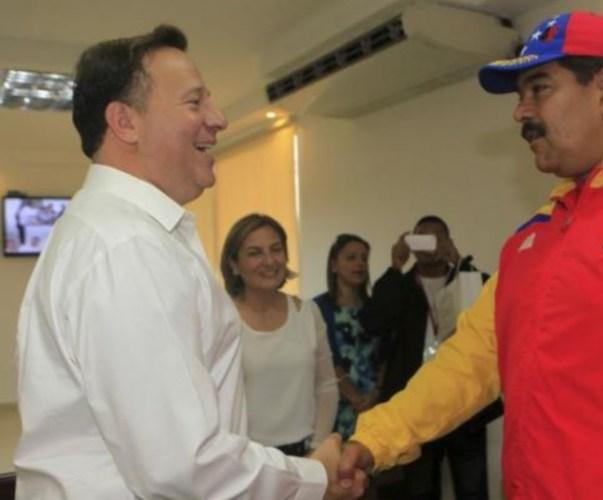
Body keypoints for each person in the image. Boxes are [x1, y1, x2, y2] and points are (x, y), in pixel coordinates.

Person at [339, 11, 603, 499]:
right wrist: (373, 440)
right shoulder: (533, 237)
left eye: (539, 89)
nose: (521, 112)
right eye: (519, 96)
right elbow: (469, 362)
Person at [14, 25, 363, 499]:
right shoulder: (127, 249)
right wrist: (315, 478)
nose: (218, 118)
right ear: (125, 122)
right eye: (195, 102)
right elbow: (181, 467)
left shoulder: (120, 235)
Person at [366, 215, 502, 500]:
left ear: (448, 241)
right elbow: (376, 319)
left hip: (465, 400)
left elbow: (491, 306)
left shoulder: (466, 278)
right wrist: (395, 266)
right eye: (421, 237)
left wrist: (460, 262)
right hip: (418, 399)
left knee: (472, 486)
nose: (429, 244)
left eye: (437, 237)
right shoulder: (401, 285)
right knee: (420, 489)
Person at [220, 213, 339, 457]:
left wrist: (317, 449)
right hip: (246, 459)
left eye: (276, 249)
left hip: (305, 453)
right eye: (255, 253)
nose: (269, 261)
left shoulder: (308, 313)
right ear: (234, 265)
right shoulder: (221, 318)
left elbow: (326, 385)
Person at [313, 234, 385, 440]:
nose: (360, 264)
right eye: (351, 257)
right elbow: (324, 359)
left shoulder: (377, 307)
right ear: (334, 265)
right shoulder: (317, 308)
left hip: (374, 405)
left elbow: (386, 353)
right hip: (334, 406)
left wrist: (375, 394)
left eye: (364, 258)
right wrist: (354, 397)